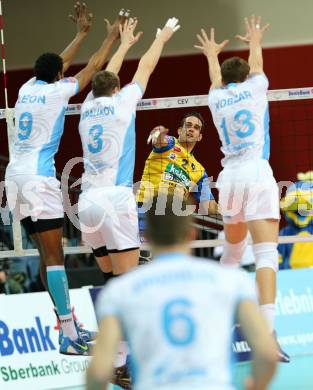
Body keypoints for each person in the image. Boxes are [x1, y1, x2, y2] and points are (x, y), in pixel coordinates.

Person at [5, 2, 127, 355]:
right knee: (56, 256)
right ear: (59, 76)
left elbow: (60, 64)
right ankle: (69, 335)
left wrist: (80, 34)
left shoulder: (27, 87)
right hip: (38, 179)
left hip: (14, 177)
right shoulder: (58, 90)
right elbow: (92, 67)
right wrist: (108, 38)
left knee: (45, 256)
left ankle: (67, 325)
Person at [86, 194, 277, 390]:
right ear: (192, 233)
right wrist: (256, 385)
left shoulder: (118, 292)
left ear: (147, 237)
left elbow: (99, 372)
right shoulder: (232, 281)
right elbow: (267, 354)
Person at [195, 16, 289, 362]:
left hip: (229, 177)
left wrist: (210, 54)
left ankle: (210, 319)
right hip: (256, 173)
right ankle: (267, 334)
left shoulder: (216, 97)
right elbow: (258, 65)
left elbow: (215, 80)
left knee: (232, 252)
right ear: (247, 77)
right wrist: (255, 39)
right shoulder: (255, 86)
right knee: (266, 254)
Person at [78, 17, 180, 277]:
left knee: (109, 274)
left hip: (87, 201)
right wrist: (161, 38)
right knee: (128, 278)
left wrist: (123, 45)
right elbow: (145, 67)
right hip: (115, 197)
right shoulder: (123, 103)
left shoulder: (87, 105)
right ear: (117, 89)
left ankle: (107, 319)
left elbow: (108, 75)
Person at [136, 113, 219, 249]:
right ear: (180, 131)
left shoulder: (199, 171)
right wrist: (158, 133)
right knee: (142, 260)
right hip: (146, 210)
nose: (191, 129)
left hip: (172, 219)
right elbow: (159, 140)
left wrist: (237, 214)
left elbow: (210, 207)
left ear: (200, 137)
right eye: (188, 125)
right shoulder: (170, 143)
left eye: (196, 128)